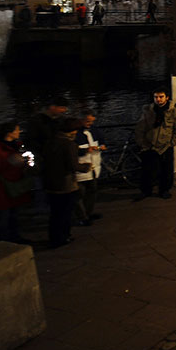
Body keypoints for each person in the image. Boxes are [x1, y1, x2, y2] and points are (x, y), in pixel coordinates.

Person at [44, 118, 90, 248]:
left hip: (50, 181)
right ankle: (63, 236)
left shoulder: (50, 142)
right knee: (65, 212)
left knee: (55, 213)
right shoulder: (69, 144)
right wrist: (86, 167)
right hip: (65, 183)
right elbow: (72, 165)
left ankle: (55, 237)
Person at [134, 88, 176, 200]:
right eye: (156, 97)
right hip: (149, 145)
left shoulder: (174, 111)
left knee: (166, 170)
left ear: (167, 97)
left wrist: (171, 143)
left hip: (165, 146)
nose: (158, 99)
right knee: (147, 170)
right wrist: (141, 143)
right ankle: (145, 191)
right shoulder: (148, 111)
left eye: (161, 97)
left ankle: (164, 190)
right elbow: (140, 128)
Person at [0, 121, 33, 244]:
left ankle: (14, 237)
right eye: (16, 130)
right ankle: (2, 241)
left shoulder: (17, 145)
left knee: (14, 214)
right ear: (9, 133)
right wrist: (11, 162)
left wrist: (26, 163)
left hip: (16, 184)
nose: (19, 132)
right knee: (3, 215)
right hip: (3, 186)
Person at [74, 110, 105, 225]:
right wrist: (85, 150)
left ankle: (88, 212)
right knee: (79, 194)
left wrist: (102, 146)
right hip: (81, 168)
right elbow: (72, 151)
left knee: (92, 191)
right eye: (87, 121)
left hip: (93, 167)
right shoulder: (76, 133)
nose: (90, 124)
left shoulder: (94, 130)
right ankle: (81, 217)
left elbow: (102, 141)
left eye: (92, 121)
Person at [25, 98, 68, 173]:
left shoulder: (61, 120)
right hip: (44, 159)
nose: (64, 110)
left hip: (58, 158)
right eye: (62, 107)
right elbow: (30, 140)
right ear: (52, 107)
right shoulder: (36, 121)